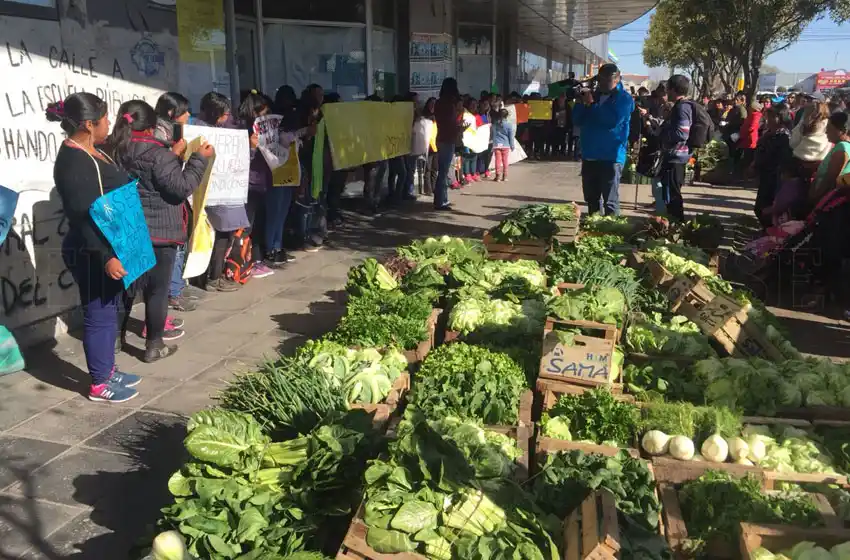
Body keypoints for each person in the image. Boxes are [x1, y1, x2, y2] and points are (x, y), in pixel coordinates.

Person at [48, 93, 142, 402]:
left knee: (108, 310)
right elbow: (84, 216)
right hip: (92, 250)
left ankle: (108, 369)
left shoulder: (92, 150)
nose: (108, 126)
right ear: (89, 124)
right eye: (104, 120)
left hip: (110, 244)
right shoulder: (73, 162)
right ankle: (99, 384)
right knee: (99, 313)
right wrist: (106, 257)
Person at [106, 100, 212, 363]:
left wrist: (172, 156)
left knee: (126, 289)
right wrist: (199, 160)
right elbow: (179, 187)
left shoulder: (112, 149)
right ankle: (154, 345)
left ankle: (115, 341)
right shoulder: (158, 154)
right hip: (160, 233)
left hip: (128, 231)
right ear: (153, 125)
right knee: (157, 291)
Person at [154, 92, 200, 317]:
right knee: (174, 249)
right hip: (167, 202)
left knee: (180, 246)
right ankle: (173, 292)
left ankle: (176, 288)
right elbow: (166, 172)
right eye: (185, 111)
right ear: (172, 113)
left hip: (177, 199)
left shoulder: (173, 132)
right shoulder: (159, 136)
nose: (189, 115)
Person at [573, 63, 635, 216]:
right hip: (590, 153)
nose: (602, 84)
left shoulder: (624, 99)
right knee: (591, 198)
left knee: (610, 200)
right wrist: (581, 104)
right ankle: (594, 227)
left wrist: (592, 105)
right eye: (600, 80)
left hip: (611, 156)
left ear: (617, 79)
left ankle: (612, 232)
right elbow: (577, 120)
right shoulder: (594, 94)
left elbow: (611, 121)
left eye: (607, 81)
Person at [238, 90, 278, 279]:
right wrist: (251, 148)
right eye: (262, 113)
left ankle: (255, 259)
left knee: (257, 223)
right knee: (246, 225)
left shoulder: (262, 129)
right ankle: (244, 262)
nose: (265, 117)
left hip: (261, 181)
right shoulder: (241, 132)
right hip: (249, 184)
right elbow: (240, 161)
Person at [656, 75, 693, 221]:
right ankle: (673, 226)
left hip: (676, 157)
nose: (666, 93)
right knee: (671, 195)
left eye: (668, 89)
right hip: (675, 156)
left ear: (673, 89)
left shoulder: (681, 107)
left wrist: (664, 133)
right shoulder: (681, 106)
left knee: (673, 196)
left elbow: (682, 133)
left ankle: (676, 226)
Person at [753, 104, 793, 228]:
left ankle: (768, 233)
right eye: (768, 116)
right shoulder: (769, 132)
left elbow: (781, 158)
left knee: (765, 208)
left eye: (772, 117)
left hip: (774, 176)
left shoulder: (784, 136)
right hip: (765, 174)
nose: (768, 119)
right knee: (760, 207)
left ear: (780, 118)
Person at [809, 111, 850, 204]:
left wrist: (813, 200)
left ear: (843, 130)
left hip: (821, 201)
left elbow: (829, 181)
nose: (826, 131)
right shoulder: (841, 146)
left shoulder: (842, 148)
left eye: (830, 128)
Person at [433, 78, 461, 210]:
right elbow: (451, 124)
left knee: (442, 170)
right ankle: (441, 200)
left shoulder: (439, 102)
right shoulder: (450, 104)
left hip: (440, 138)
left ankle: (441, 199)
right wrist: (459, 128)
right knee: (444, 171)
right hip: (448, 139)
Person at [490, 108, 515, 181]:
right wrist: (512, 145)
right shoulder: (509, 125)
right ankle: (505, 176)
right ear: (507, 116)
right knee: (505, 161)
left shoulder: (495, 124)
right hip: (506, 145)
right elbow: (511, 136)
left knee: (497, 160)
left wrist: (493, 144)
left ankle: (497, 176)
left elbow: (493, 135)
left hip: (497, 144)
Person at [738, 100, 763, 171]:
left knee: (748, 156)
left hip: (750, 139)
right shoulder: (751, 115)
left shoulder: (756, 115)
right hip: (746, 138)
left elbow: (752, 127)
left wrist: (744, 131)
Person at [421, 97, 438, 196]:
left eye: (434, 104)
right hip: (428, 145)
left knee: (435, 168)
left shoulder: (438, 115)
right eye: (431, 103)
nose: (433, 105)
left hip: (436, 145)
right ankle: (428, 189)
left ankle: (434, 187)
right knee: (427, 168)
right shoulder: (425, 116)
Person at [477, 98, 493, 178]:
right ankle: (477, 171)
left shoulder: (488, 115)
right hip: (480, 139)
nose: (486, 106)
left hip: (489, 139)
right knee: (480, 156)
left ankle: (486, 170)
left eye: (487, 104)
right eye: (485, 104)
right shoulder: (478, 115)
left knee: (488, 156)